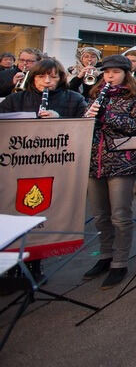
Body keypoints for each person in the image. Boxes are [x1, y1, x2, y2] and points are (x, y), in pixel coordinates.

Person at [0, 57, 85, 282]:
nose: (46, 81)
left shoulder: (74, 98)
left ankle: (36, 264)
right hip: (18, 166)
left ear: (60, 78)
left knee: (44, 215)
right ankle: (10, 266)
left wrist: (60, 119)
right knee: (14, 213)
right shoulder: (15, 99)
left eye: (52, 77)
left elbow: (85, 129)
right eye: (41, 76)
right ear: (33, 78)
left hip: (55, 166)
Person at [81, 54, 136, 289]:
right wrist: (87, 118)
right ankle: (105, 255)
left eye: (116, 72)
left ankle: (119, 262)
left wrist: (106, 116)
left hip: (122, 162)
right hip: (94, 161)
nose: (110, 76)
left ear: (126, 74)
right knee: (100, 215)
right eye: (107, 72)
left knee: (120, 215)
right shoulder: (95, 94)